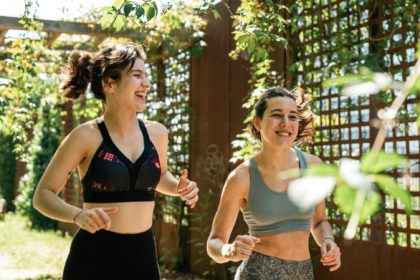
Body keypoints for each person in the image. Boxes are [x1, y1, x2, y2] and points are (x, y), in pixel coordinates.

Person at [33, 44, 199, 280]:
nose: (147, 84)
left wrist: (178, 188)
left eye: (146, 76)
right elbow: (43, 195)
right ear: (109, 84)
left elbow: (160, 176)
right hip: (93, 258)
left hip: (143, 257)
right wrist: (77, 215)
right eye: (137, 75)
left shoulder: (157, 133)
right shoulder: (85, 136)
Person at [207, 88, 341, 279]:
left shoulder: (313, 166)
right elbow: (214, 242)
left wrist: (328, 240)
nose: (286, 124)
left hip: (303, 274)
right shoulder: (242, 177)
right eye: (277, 115)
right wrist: (229, 250)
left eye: (292, 117)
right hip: (257, 273)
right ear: (258, 122)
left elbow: (319, 222)